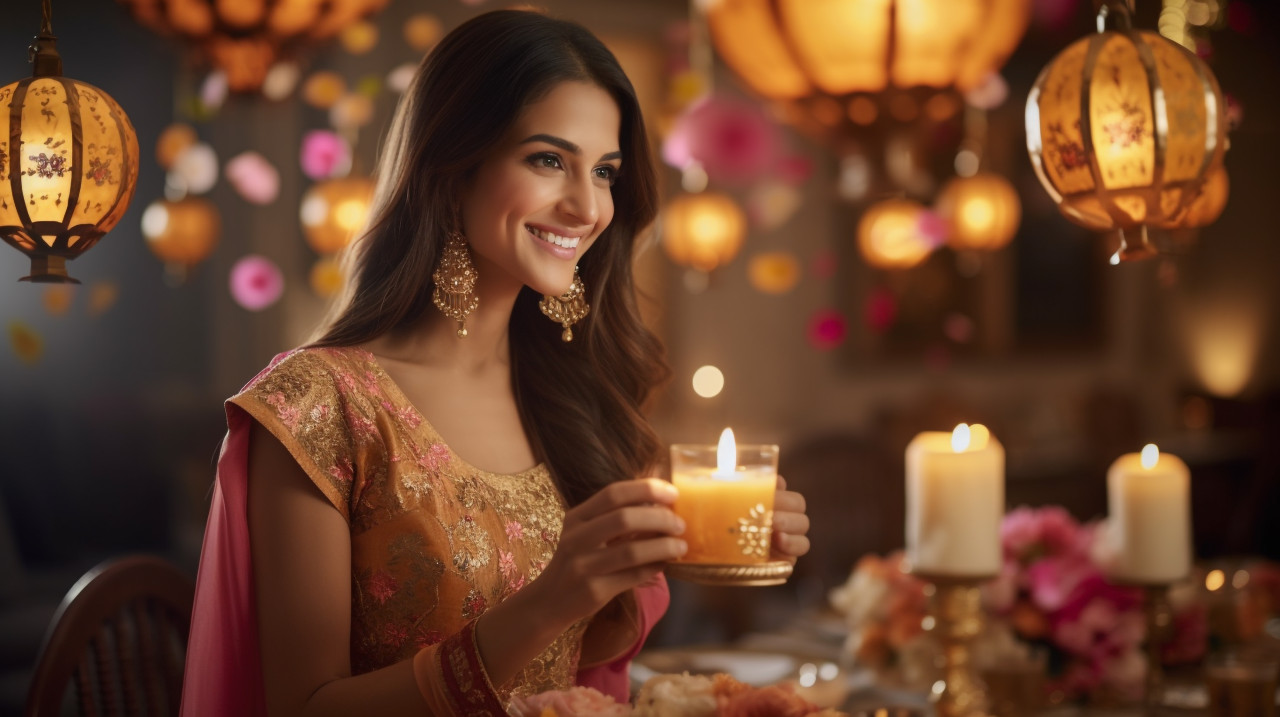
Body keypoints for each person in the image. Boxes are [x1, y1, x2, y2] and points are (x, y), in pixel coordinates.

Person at [180, 9, 811, 717]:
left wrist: (729, 536)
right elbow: (302, 708)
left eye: (604, 172)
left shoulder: (575, 399)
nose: (586, 205)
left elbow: (582, 675)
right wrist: (549, 602)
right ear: (453, 164)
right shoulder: (317, 406)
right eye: (548, 159)